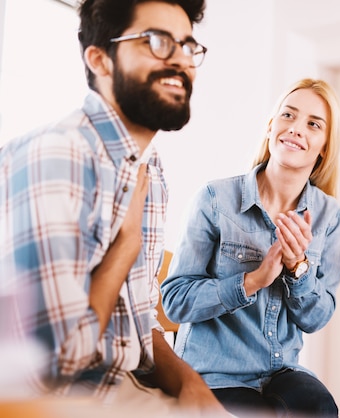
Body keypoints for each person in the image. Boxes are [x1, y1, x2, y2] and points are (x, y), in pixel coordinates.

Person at [0, 0, 228, 415]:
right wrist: (125, 246)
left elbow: (139, 326)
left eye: (188, 46)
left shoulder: (150, 170)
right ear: (100, 60)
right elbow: (53, 366)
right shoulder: (58, 156)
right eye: (158, 41)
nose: (180, 59)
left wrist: (191, 384)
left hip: (124, 388)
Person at [160, 78, 340, 418]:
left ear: (324, 147)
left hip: (281, 371)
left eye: (313, 124)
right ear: (271, 126)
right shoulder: (215, 200)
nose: (296, 129)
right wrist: (252, 281)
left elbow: (317, 317)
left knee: (320, 407)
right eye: (287, 116)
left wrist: (297, 268)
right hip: (214, 374)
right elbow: (174, 302)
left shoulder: (329, 215)